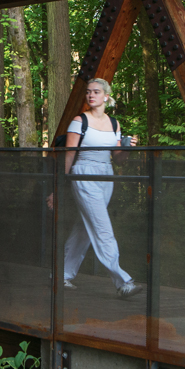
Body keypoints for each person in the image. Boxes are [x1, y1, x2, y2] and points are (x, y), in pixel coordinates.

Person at [58, 79, 144, 298]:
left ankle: (63, 275)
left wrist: (128, 148)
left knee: (85, 227)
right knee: (102, 227)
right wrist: (59, 185)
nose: (90, 95)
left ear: (106, 96)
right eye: (88, 92)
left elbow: (119, 160)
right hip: (84, 173)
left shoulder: (114, 124)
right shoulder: (80, 121)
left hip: (106, 175)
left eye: (96, 92)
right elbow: (68, 154)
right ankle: (123, 282)